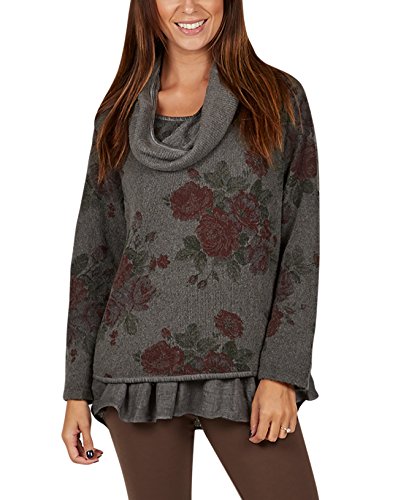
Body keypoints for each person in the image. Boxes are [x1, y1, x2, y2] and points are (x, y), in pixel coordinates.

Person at [61, 1, 321, 498]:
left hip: (244, 369)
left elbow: (301, 246)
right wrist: (76, 390)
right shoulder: (118, 112)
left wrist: (283, 373)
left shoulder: (278, 98)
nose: (188, 6)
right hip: (134, 373)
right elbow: (94, 253)